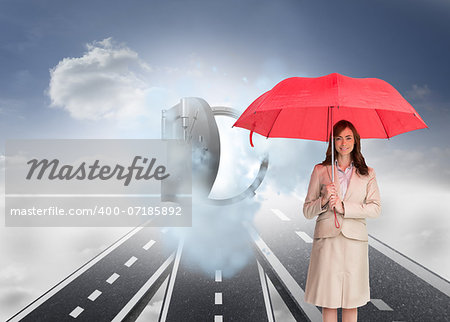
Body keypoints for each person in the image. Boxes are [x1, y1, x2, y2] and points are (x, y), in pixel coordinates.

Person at [303, 120, 381, 322]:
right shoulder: (321, 171)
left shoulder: (368, 173)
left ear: (355, 141)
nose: (343, 143)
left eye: (348, 137)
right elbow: (307, 211)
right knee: (329, 300)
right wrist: (324, 200)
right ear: (332, 142)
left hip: (354, 242)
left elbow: (375, 208)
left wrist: (344, 207)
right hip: (328, 241)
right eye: (338, 138)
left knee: (351, 301)